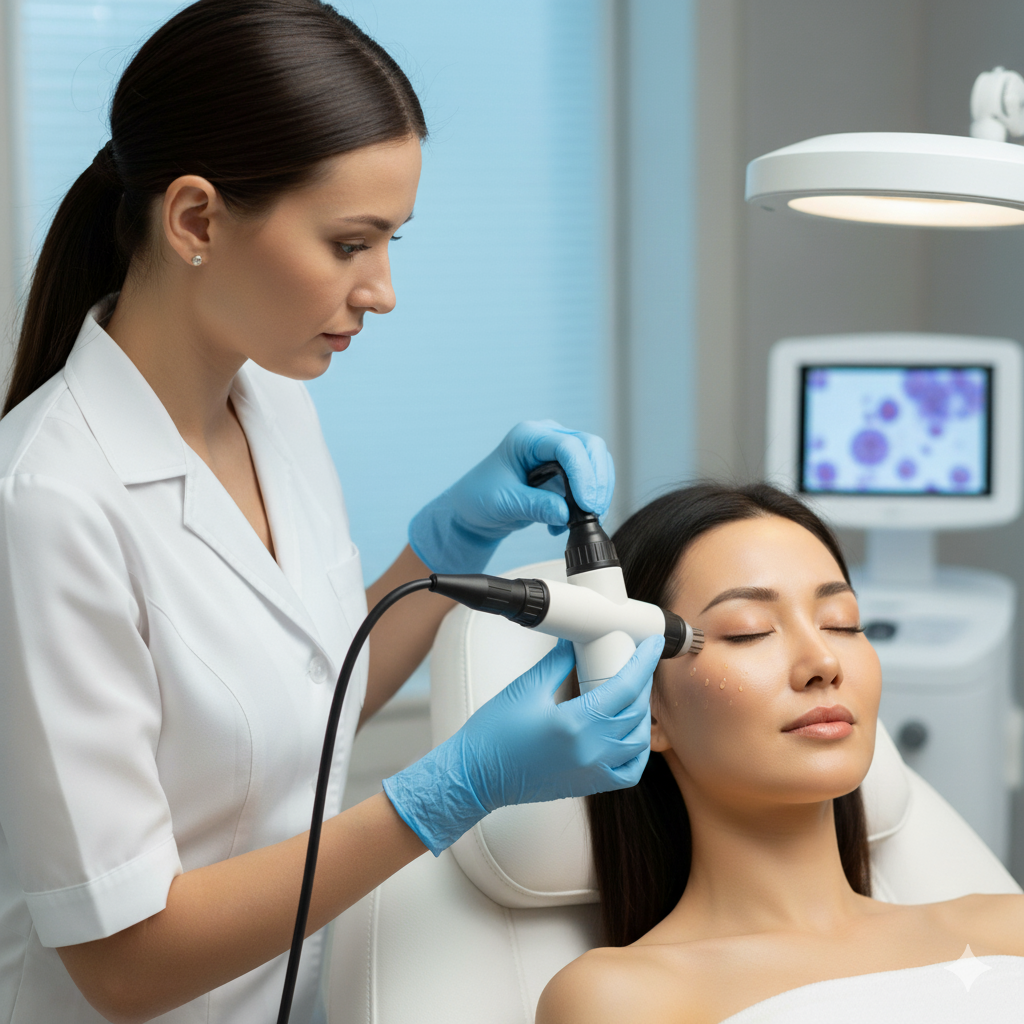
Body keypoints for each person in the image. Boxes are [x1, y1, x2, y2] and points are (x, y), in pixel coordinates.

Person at [0, 3, 662, 1022]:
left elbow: (306, 698)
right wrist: (450, 791)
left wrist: (441, 551)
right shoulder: (47, 504)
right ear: (196, 221)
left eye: (390, 240)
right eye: (350, 242)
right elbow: (123, 962)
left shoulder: (274, 402)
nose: (384, 290)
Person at [537, 483, 1024, 1024]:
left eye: (842, 622)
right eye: (749, 632)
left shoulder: (1009, 929)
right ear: (646, 706)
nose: (823, 660)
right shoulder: (622, 997)